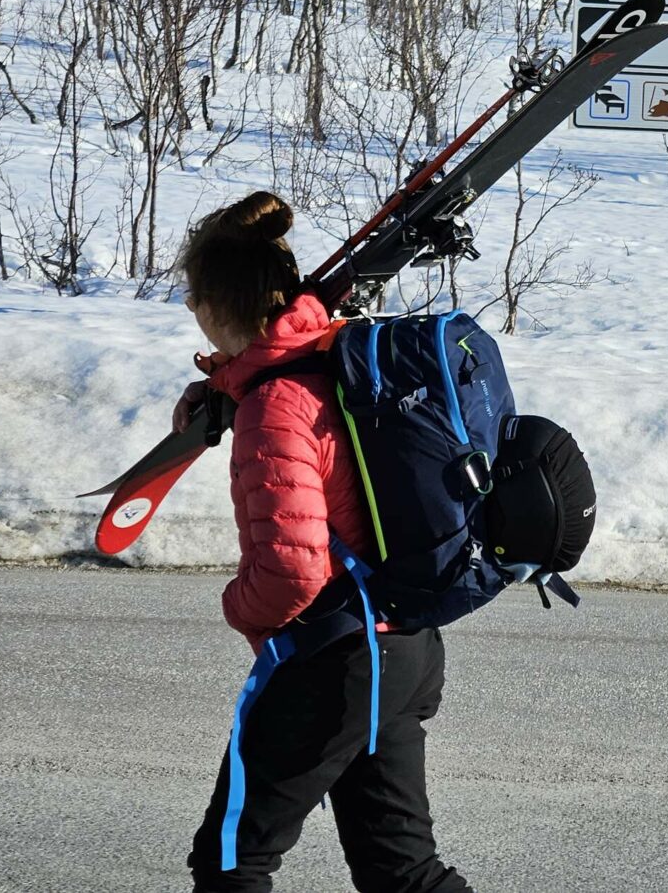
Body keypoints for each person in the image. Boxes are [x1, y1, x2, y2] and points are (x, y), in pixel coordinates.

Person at [173, 190, 472, 893]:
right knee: (401, 871)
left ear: (221, 302)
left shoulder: (275, 404)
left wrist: (241, 609)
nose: (190, 310)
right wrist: (222, 387)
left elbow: (292, 567)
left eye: (193, 296)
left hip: (336, 656)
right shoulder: (330, 354)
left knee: (232, 861)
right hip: (403, 647)